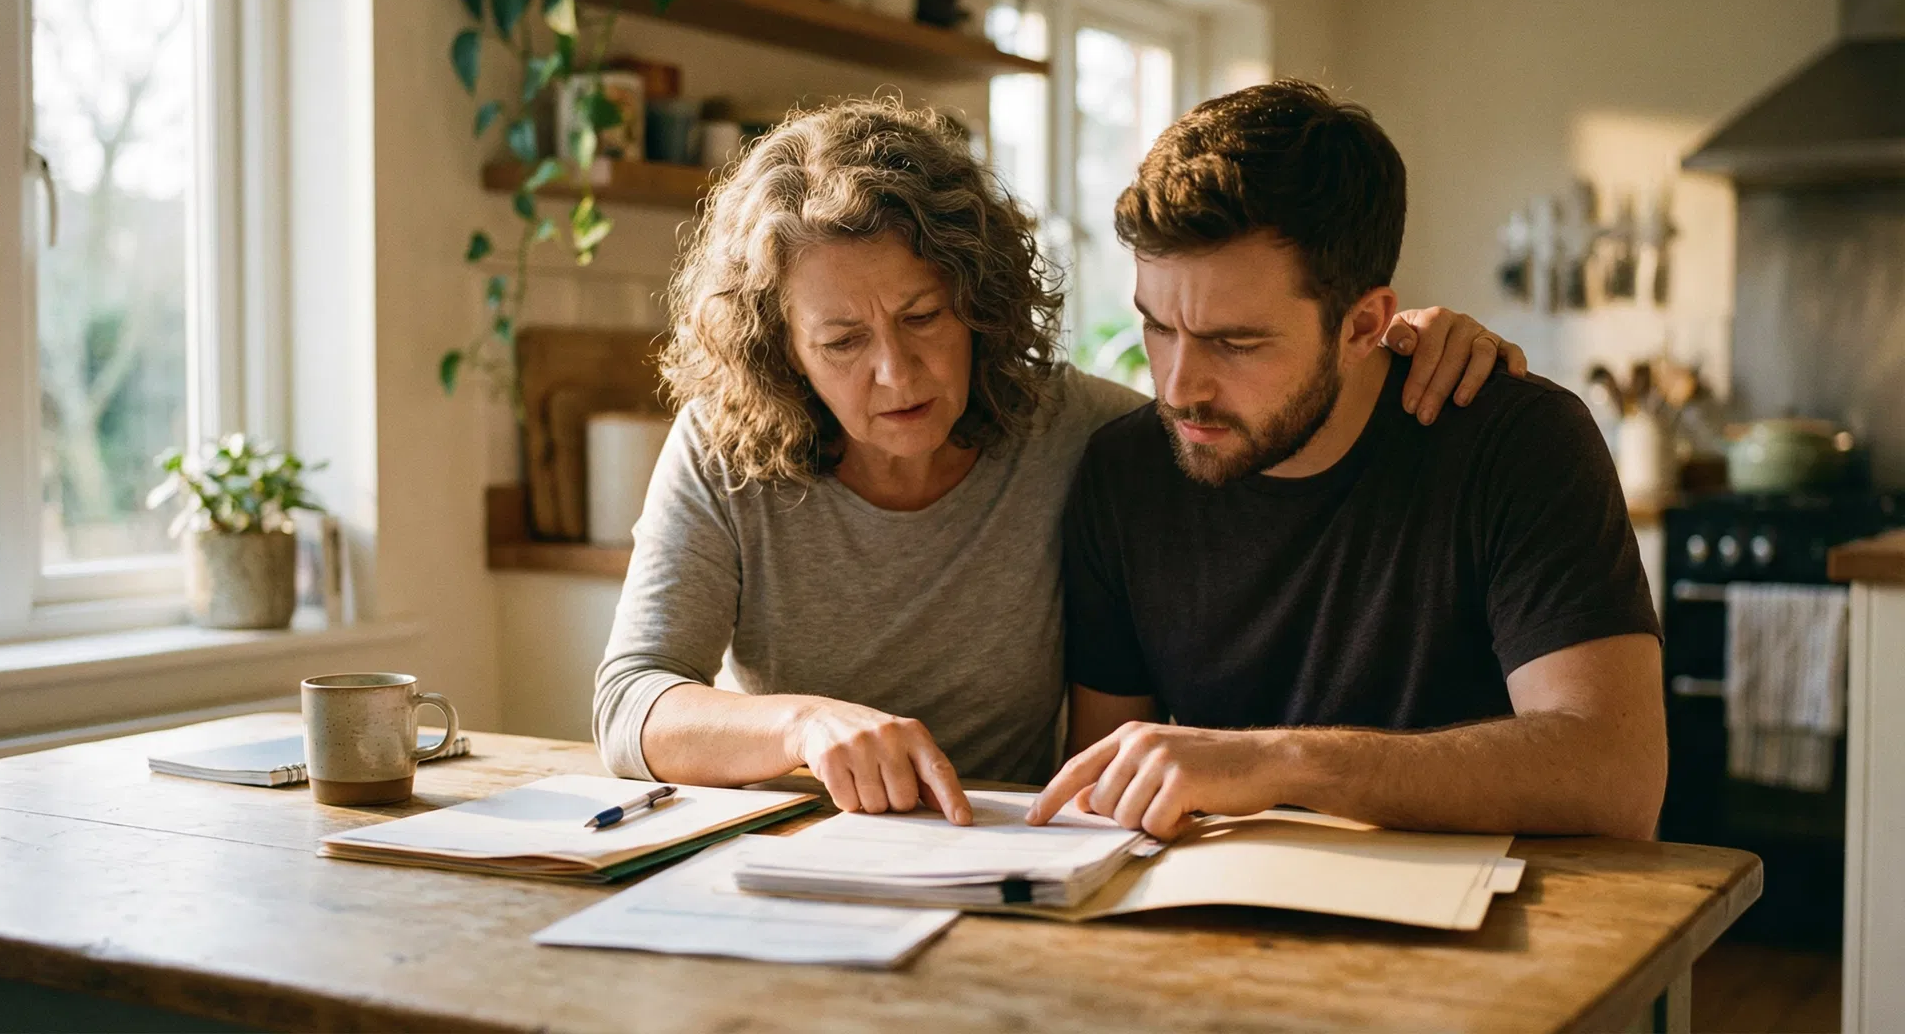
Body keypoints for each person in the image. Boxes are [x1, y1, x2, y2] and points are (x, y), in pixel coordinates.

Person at [594, 97, 1527, 825]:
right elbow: (631, 702)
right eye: (841, 341)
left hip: (1010, 855)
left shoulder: (1080, 431)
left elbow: (1260, 404)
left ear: (979, 298)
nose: (894, 371)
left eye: (922, 317)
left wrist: (1401, 343)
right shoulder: (725, 447)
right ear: (780, 349)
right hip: (783, 866)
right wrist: (801, 723)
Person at [1026, 80, 1666, 841]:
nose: (1177, 387)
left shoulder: (1517, 442)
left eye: (1236, 343)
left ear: (1364, 325)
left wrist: (1284, 764)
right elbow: (1099, 799)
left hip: (1497, 931)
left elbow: (1615, 777)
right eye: (1157, 327)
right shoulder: (1125, 472)